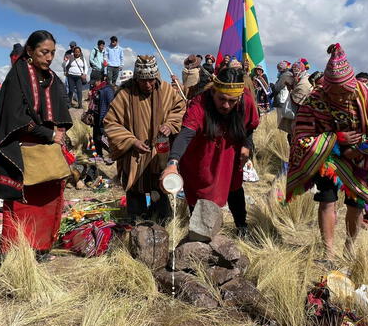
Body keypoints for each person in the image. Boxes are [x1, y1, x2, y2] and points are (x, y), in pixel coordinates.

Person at [286, 44, 368, 261]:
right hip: (327, 158)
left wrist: (359, 149)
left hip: (362, 160)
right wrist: (336, 141)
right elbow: (302, 135)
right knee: (327, 199)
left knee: (356, 202)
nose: (340, 97)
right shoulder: (316, 99)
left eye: (344, 92)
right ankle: (328, 251)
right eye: (334, 92)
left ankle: (350, 247)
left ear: (352, 84)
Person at [0, 30, 72, 262]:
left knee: (48, 199)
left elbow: (61, 110)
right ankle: (16, 254)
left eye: (53, 53)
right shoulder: (17, 77)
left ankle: (40, 247)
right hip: (22, 152)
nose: (49, 58)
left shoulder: (53, 78)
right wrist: (49, 133)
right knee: (21, 203)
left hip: (47, 153)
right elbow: (16, 118)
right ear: (29, 51)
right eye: (44, 52)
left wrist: (61, 131)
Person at [161, 67, 260, 235]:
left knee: (234, 187)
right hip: (202, 155)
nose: (226, 105)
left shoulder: (245, 100)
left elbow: (250, 125)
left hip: (230, 152)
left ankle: (241, 226)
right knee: (200, 192)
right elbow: (185, 135)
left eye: (232, 101)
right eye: (221, 99)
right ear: (213, 91)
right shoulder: (199, 104)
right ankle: (199, 234)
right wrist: (172, 163)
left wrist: (247, 145)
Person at [104, 55, 185, 219]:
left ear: (156, 76)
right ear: (136, 78)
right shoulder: (124, 94)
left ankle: (163, 221)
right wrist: (131, 141)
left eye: (150, 80)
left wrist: (169, 125)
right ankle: (136, 222)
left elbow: (180, 109)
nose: (147, 85)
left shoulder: (167, 91)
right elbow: (111, 122)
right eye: (142, 80)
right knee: (135, 194)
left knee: (159, 190)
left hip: (159, 155)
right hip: (134, 157)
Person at [87, 75, 115, 164]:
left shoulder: (108, 90)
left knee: (103, 138)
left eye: (94, 82)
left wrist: (107, 117)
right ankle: (99, 156)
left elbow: (112, 104)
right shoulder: (96, 90)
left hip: (103, 117)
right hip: (96, 117)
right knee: (96, 137)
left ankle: (113, 155)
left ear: (99, 80)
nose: (93, 84)